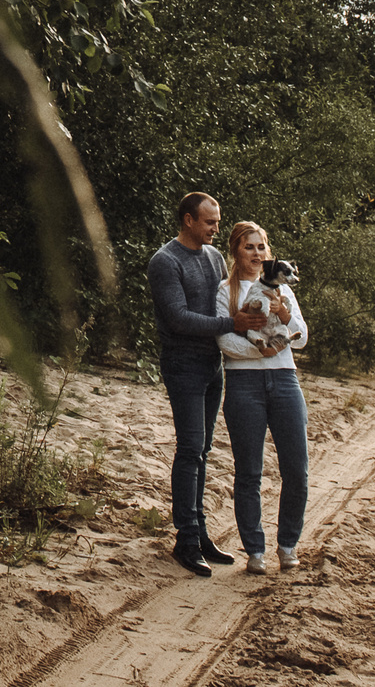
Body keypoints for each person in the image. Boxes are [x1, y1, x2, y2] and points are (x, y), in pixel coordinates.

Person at [147, 191, 268, 575]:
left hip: (213, 364)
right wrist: (231, 325)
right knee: (189, 448)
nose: (218, 228)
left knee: (202, 451)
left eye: (217, 221)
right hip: (182, 363)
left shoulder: (214, 257)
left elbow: (224, 302)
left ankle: (198, 534)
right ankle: (184, 539)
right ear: (188, 220)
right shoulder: (165, 262)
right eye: (210, 222)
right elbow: (179, 318)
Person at [218, 221, 310, 574]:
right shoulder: (225, 291)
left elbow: (300, 339)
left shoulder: (283, 288)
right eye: (249, 247)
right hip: (243, 385)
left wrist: (285, 316)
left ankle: (287, 545)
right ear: (236, 251)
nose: (256, 254)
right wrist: (265, 351)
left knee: (296, 470)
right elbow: (225, 341)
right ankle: (255, 551)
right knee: (249, 473)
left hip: (286, 382)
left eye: (261, 247)